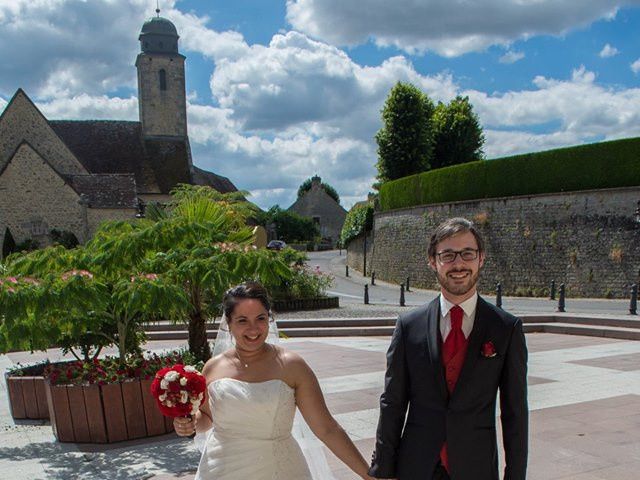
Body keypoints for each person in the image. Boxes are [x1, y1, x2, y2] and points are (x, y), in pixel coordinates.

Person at [369, 217, 528, 480]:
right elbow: (393, 402)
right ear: (433, 261)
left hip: (475, 467)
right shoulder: (409, 326)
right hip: (416, 466)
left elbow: (515, 414)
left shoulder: (506, 328)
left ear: (481, 258)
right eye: (448, 255)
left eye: (467, 253)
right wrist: (383, 468)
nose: (458, 264)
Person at [174, 281, 373, 480]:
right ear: (229, 322)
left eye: (260, 318)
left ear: (269, 318)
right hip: (220, 468)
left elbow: (327, 428)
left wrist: (369, 475)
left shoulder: (292, 366)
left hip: (277, 469)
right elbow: (207, 417)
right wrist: (190, 423)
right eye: (242, 320)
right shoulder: (213, 367)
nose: (253, 329)